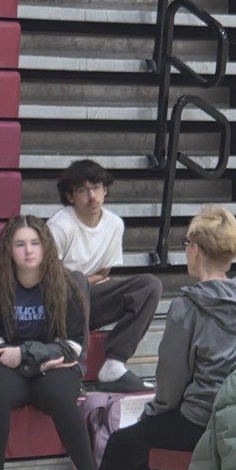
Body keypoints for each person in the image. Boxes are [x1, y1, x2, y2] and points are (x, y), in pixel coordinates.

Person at [50, 206, 236, 470]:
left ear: (195, 248)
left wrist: (152, 413)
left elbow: (170, 384)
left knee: (126, 441)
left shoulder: (190, 306)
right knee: (139, 443)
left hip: (201, 423)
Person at [0, 215, 97, 470]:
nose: (28, 251)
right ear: (8, 250)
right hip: (15, 371)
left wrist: (25, 355)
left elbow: (75, 345)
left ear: (46, 247)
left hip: (53, 369)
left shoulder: (68, 285)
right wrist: (37, 362)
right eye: (20, 244)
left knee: (61, 392)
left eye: (35, 243)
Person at [47, 159, 162, 394]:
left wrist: (81, 283)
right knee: (76, 279)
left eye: (97, 187)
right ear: (70, 197)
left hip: (88, 301)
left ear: (105, 189)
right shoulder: (60, 225)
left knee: (149, 285)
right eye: (82, 190)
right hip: (55, 307)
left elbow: (104, 272)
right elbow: (47, 276)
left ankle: (114, 365)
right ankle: (73, 366)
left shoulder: (114, 224)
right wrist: (79, 282)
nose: (92, 196)